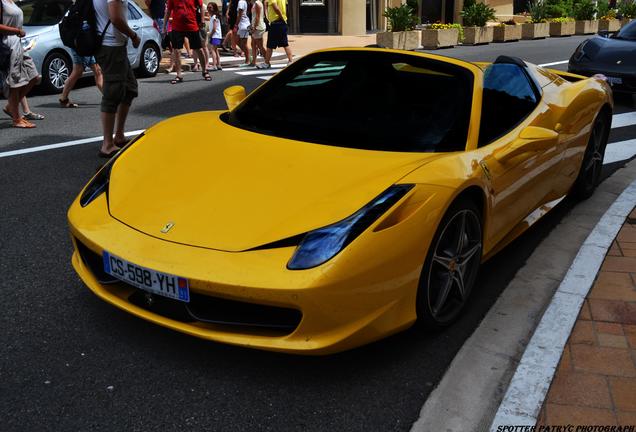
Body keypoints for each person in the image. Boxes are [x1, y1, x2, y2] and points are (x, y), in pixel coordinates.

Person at [93, 0, 141, 157]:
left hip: (115, 46)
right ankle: (107, 144)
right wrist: (133, 35)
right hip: (111, 46)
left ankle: (119, 136)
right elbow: (116, 18)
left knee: (129, 88)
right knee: (113, 93)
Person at [0, 0, 41, 128]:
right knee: (15, 83)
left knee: (34, 76)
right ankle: (17, 119)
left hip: (18, 43)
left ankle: (10, 106)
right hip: (8, 44)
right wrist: (16, 30)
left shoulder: (11, 1)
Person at [163, 0, 211, 83]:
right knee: (177, 51)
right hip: (177, 28)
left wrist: (202, 20)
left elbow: (201, 7)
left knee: (199, 49)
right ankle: (179, 75)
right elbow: (168, 11)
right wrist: (164, 26)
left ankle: (205, 71)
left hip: (192, 26)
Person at [257, 0, 292, 69]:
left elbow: (276, 8)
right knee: (283, 43)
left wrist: (282, 18)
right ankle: (290, 61)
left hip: (276, 23)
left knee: (270, 44)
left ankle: (266, 63)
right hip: (281, 23)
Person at [249, 0, 265, 67]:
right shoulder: (256, 3)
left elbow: (258, 17)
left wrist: (254, 27)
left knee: (260, 46)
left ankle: (267, 61)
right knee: (253, 44)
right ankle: (253, 62)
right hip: (255, 26)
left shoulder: (257, 3)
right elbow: (255, 16)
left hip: (258, 27)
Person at [207, 2, 221, 70]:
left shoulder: (214, 17)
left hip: (215, 35)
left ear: (214, 8)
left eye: (210, 8)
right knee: (216, 50)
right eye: (208, 7)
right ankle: (218, 65)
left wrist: (210, 35)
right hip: (217, 36)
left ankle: (214, 65)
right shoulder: (214, 16)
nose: (209, 9)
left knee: (212, 50)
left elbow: (214, 28)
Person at [236, 0, 250, 65]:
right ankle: (248, 56)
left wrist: (236, 24)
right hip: (241, 24)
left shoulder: (241, 1)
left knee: (244, 43)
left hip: (244, 25)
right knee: (237, 41)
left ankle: (247, 61)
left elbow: (240, 14)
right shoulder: (242, 1)